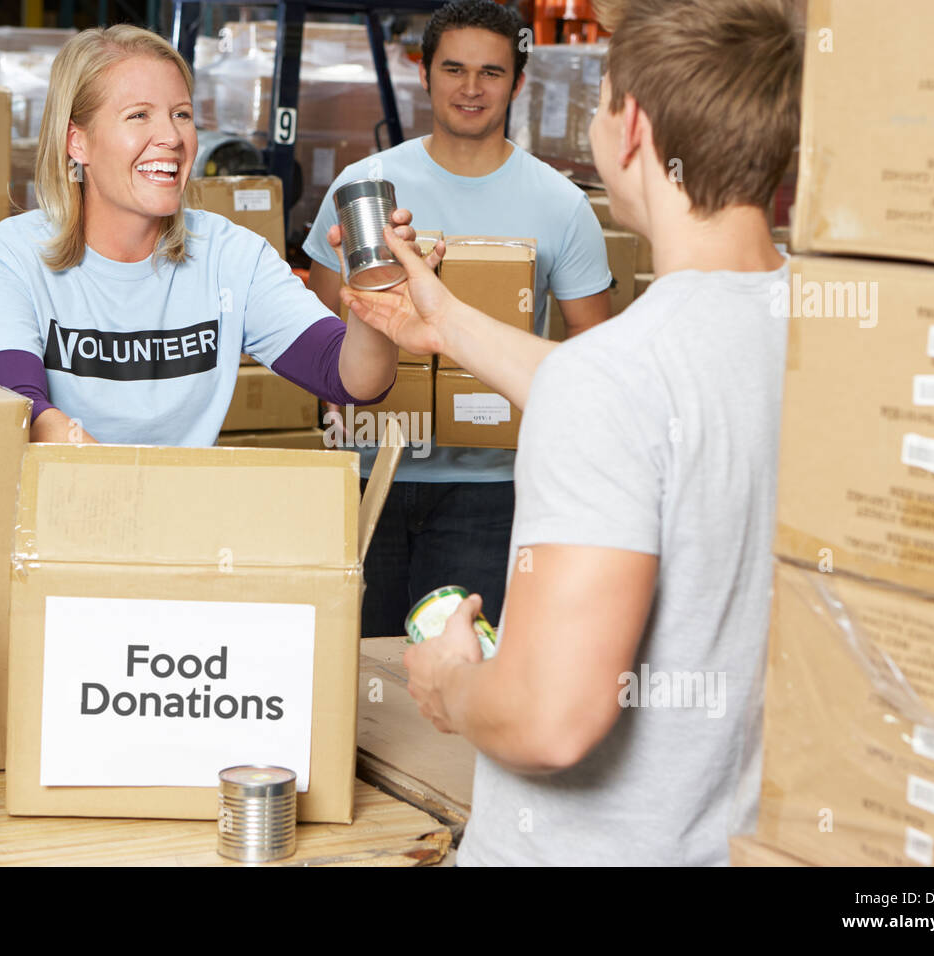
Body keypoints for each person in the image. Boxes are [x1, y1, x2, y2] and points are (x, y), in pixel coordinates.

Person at [343, 0, 802, 865]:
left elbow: (550, 720)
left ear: (630, 129)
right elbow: (644, 402)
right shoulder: (817, 334)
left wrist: (451, 684)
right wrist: (443, 323)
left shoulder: (618, 374)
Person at [304, 0, 612, 637]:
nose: (471, 89)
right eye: (454, 69)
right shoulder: (367, 187)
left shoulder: (561, 204)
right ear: (423, 73)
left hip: (489, 488)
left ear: (518, 84)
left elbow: (592, 341)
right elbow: (320, 324)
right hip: (367, 473)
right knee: (354, 671)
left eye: (492, 73)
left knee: (461, 673)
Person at [0, 24, 426, 444]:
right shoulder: (6, 259)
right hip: (56, 521)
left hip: (182, 524)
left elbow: (350, 380)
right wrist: (126, 495)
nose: (171, 136)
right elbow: (16, 410)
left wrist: (374, 298)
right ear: (76, 141)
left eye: (181, 114)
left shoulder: (231, 257)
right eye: (138, 115)